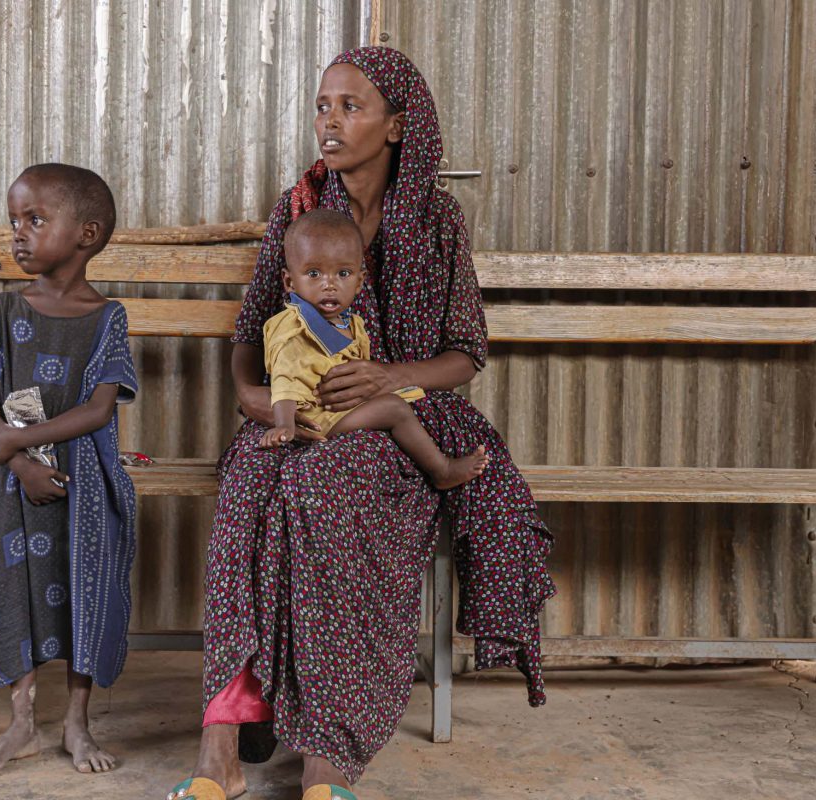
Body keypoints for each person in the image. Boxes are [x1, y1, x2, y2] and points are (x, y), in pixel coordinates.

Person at [168, 47, 556, 800]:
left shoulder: (436, 218)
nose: (330, 121)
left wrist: (393, 376)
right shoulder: (299, 208)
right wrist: (251, 397)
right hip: (296, 409)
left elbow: (465, 353)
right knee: (252, 479)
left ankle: (329, 756)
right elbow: (251, 331)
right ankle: (220, 741)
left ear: (399, 124)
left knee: (331, 486)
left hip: (396, 419)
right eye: (322, 105)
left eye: (350, 106)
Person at [0, 163, 138, 778]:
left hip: (82, 479)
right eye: (14, 221)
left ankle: (76, 722)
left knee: (82, 587)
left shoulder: (108, 318)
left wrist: (18, 445)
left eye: (35, 220)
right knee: (15, 587)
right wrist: (8, 453)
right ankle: (21, 724)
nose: (18, 233)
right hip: (11, 478)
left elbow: (96, 410)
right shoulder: (5, 310)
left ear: (86, 234)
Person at [258, 207, 489, 491]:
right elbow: (284, 378)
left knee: (402, 404)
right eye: (314, 273)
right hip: (315, 417)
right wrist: (284, 426)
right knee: (394, 409)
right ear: (290, 282)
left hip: (340, 409)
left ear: (359, 282)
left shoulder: (351, 323)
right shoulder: (293, 327)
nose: (329, 285)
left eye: (342, 273)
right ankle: (441, 469)